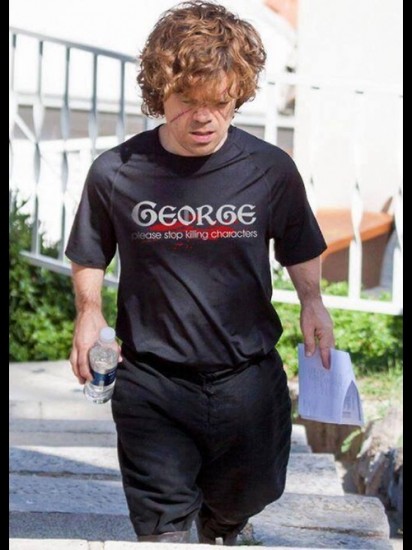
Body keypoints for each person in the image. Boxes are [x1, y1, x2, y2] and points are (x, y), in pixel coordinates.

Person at [66, 0, 334, 544]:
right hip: (152, 380)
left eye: (220, 101)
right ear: (160, 92)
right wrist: (88, 312)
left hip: (247, 377)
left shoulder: (270, 170)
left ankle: (225, 523)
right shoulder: (116, 173)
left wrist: (313, 301)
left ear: (238, 94)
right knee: (162, 524)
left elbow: (299, 242)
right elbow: (91, 252)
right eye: (188, 102)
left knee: (251, 492)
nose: (205, 117)